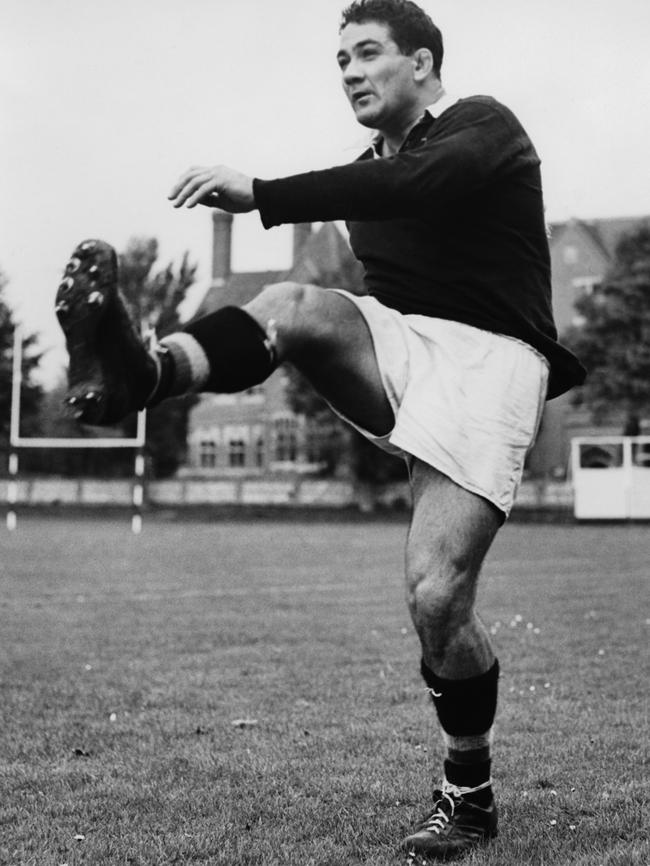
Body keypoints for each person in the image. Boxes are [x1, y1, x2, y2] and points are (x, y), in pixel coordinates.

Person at [55, 0, 585, 858]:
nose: (347, 71)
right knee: (296, 308)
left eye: (366, 52)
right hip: (408, 350)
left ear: (421, 63)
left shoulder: (484, 126)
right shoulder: (361, 183)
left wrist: (262, 194)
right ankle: (140, 374)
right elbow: (380, 231)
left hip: (493, 367)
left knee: (436, 599)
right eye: (338, 59)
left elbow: (418, 184)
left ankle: (470, 794)